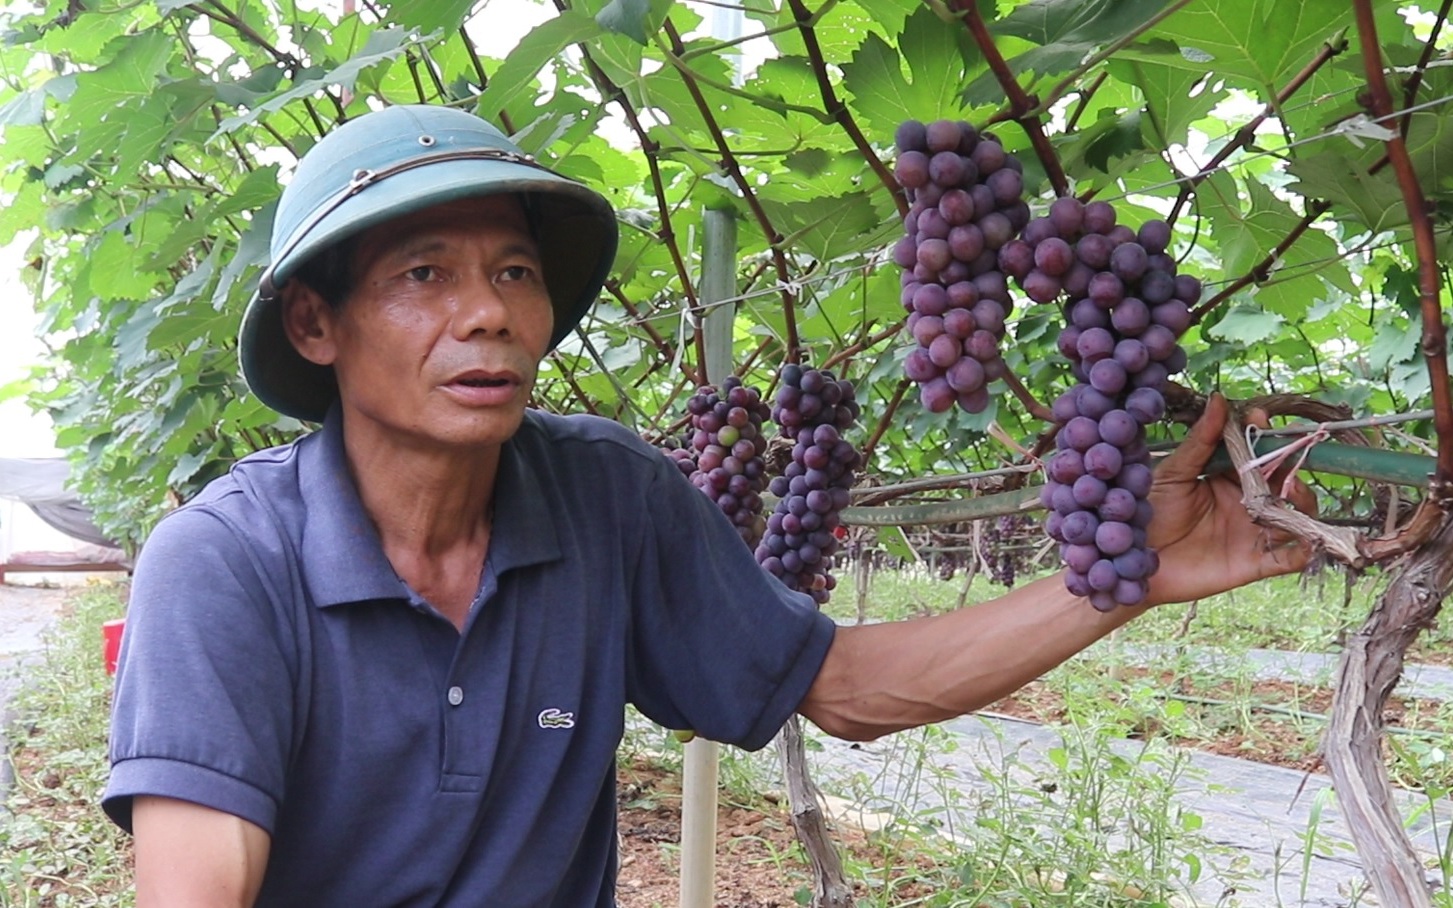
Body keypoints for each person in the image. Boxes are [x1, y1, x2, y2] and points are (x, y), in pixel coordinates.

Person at [102, 104, 1313, 907]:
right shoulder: (222, 562)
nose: (492, 314)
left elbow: (847, 688)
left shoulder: (608, 496)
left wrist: (1121, 579)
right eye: (425, 274)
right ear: (316, 324)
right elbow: (199, 882)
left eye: (514, 272)